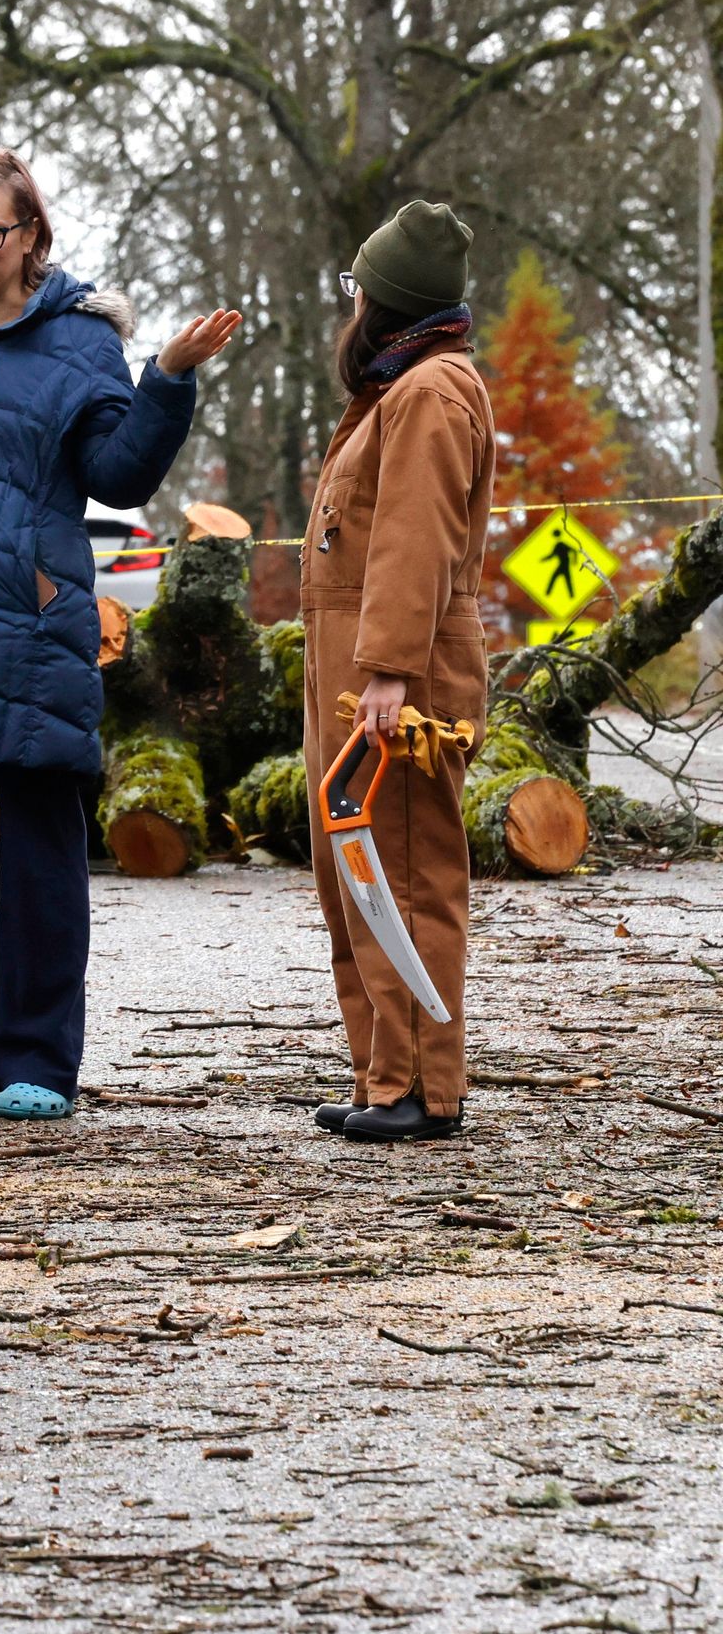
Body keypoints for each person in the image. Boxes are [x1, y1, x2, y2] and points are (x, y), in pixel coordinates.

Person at [0, 153, 241, 1123]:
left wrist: (165, 378)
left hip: (36, 629)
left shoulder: (80, 344)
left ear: (31, 237)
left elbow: (121, 474)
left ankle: (39, 1055)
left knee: (43, 856)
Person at [302, 202, 492, 1143]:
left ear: (386, 298)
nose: (354, 300)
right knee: (352, 873)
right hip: (355, 663)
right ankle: (384, 1075)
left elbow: (416, 539)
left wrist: (387, 670)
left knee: (404, 872)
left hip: (393, 677)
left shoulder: (429, 393)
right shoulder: (398, 385)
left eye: (359, 285)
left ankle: (424, 1085)